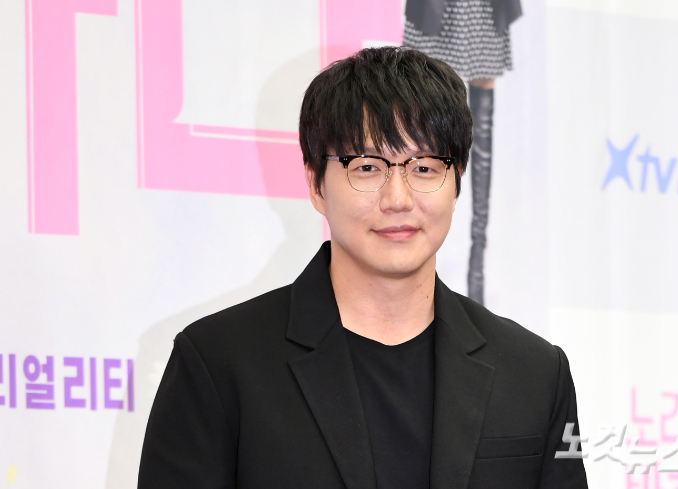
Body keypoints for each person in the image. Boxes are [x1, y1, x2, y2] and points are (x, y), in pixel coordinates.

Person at [137, 47, 587, 489]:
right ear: (316, 184)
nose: (398, 199)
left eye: (425, 167)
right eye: (368, 167)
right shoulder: (219, 363)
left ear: (456, 182)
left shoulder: (534, 373)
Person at [404, 0, 523, 304]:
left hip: (483, 8)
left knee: (481, 128)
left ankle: (476, 279)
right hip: (435, 9)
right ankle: (412, 272)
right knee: (421, 118)